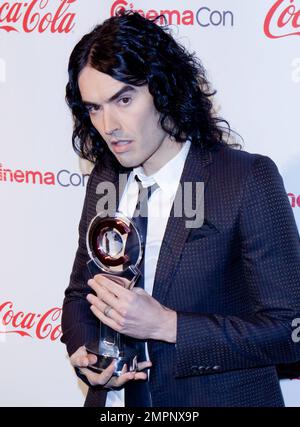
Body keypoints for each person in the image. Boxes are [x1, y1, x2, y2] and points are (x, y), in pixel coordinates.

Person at [61, 10, 300, 407]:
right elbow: (80, 293)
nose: (109, 124)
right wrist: (87, 351)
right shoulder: (106, 178)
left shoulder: (244, 179)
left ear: (163, 88)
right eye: (94, 108)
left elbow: (290, 332)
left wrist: (168, 326)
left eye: (123, 99)